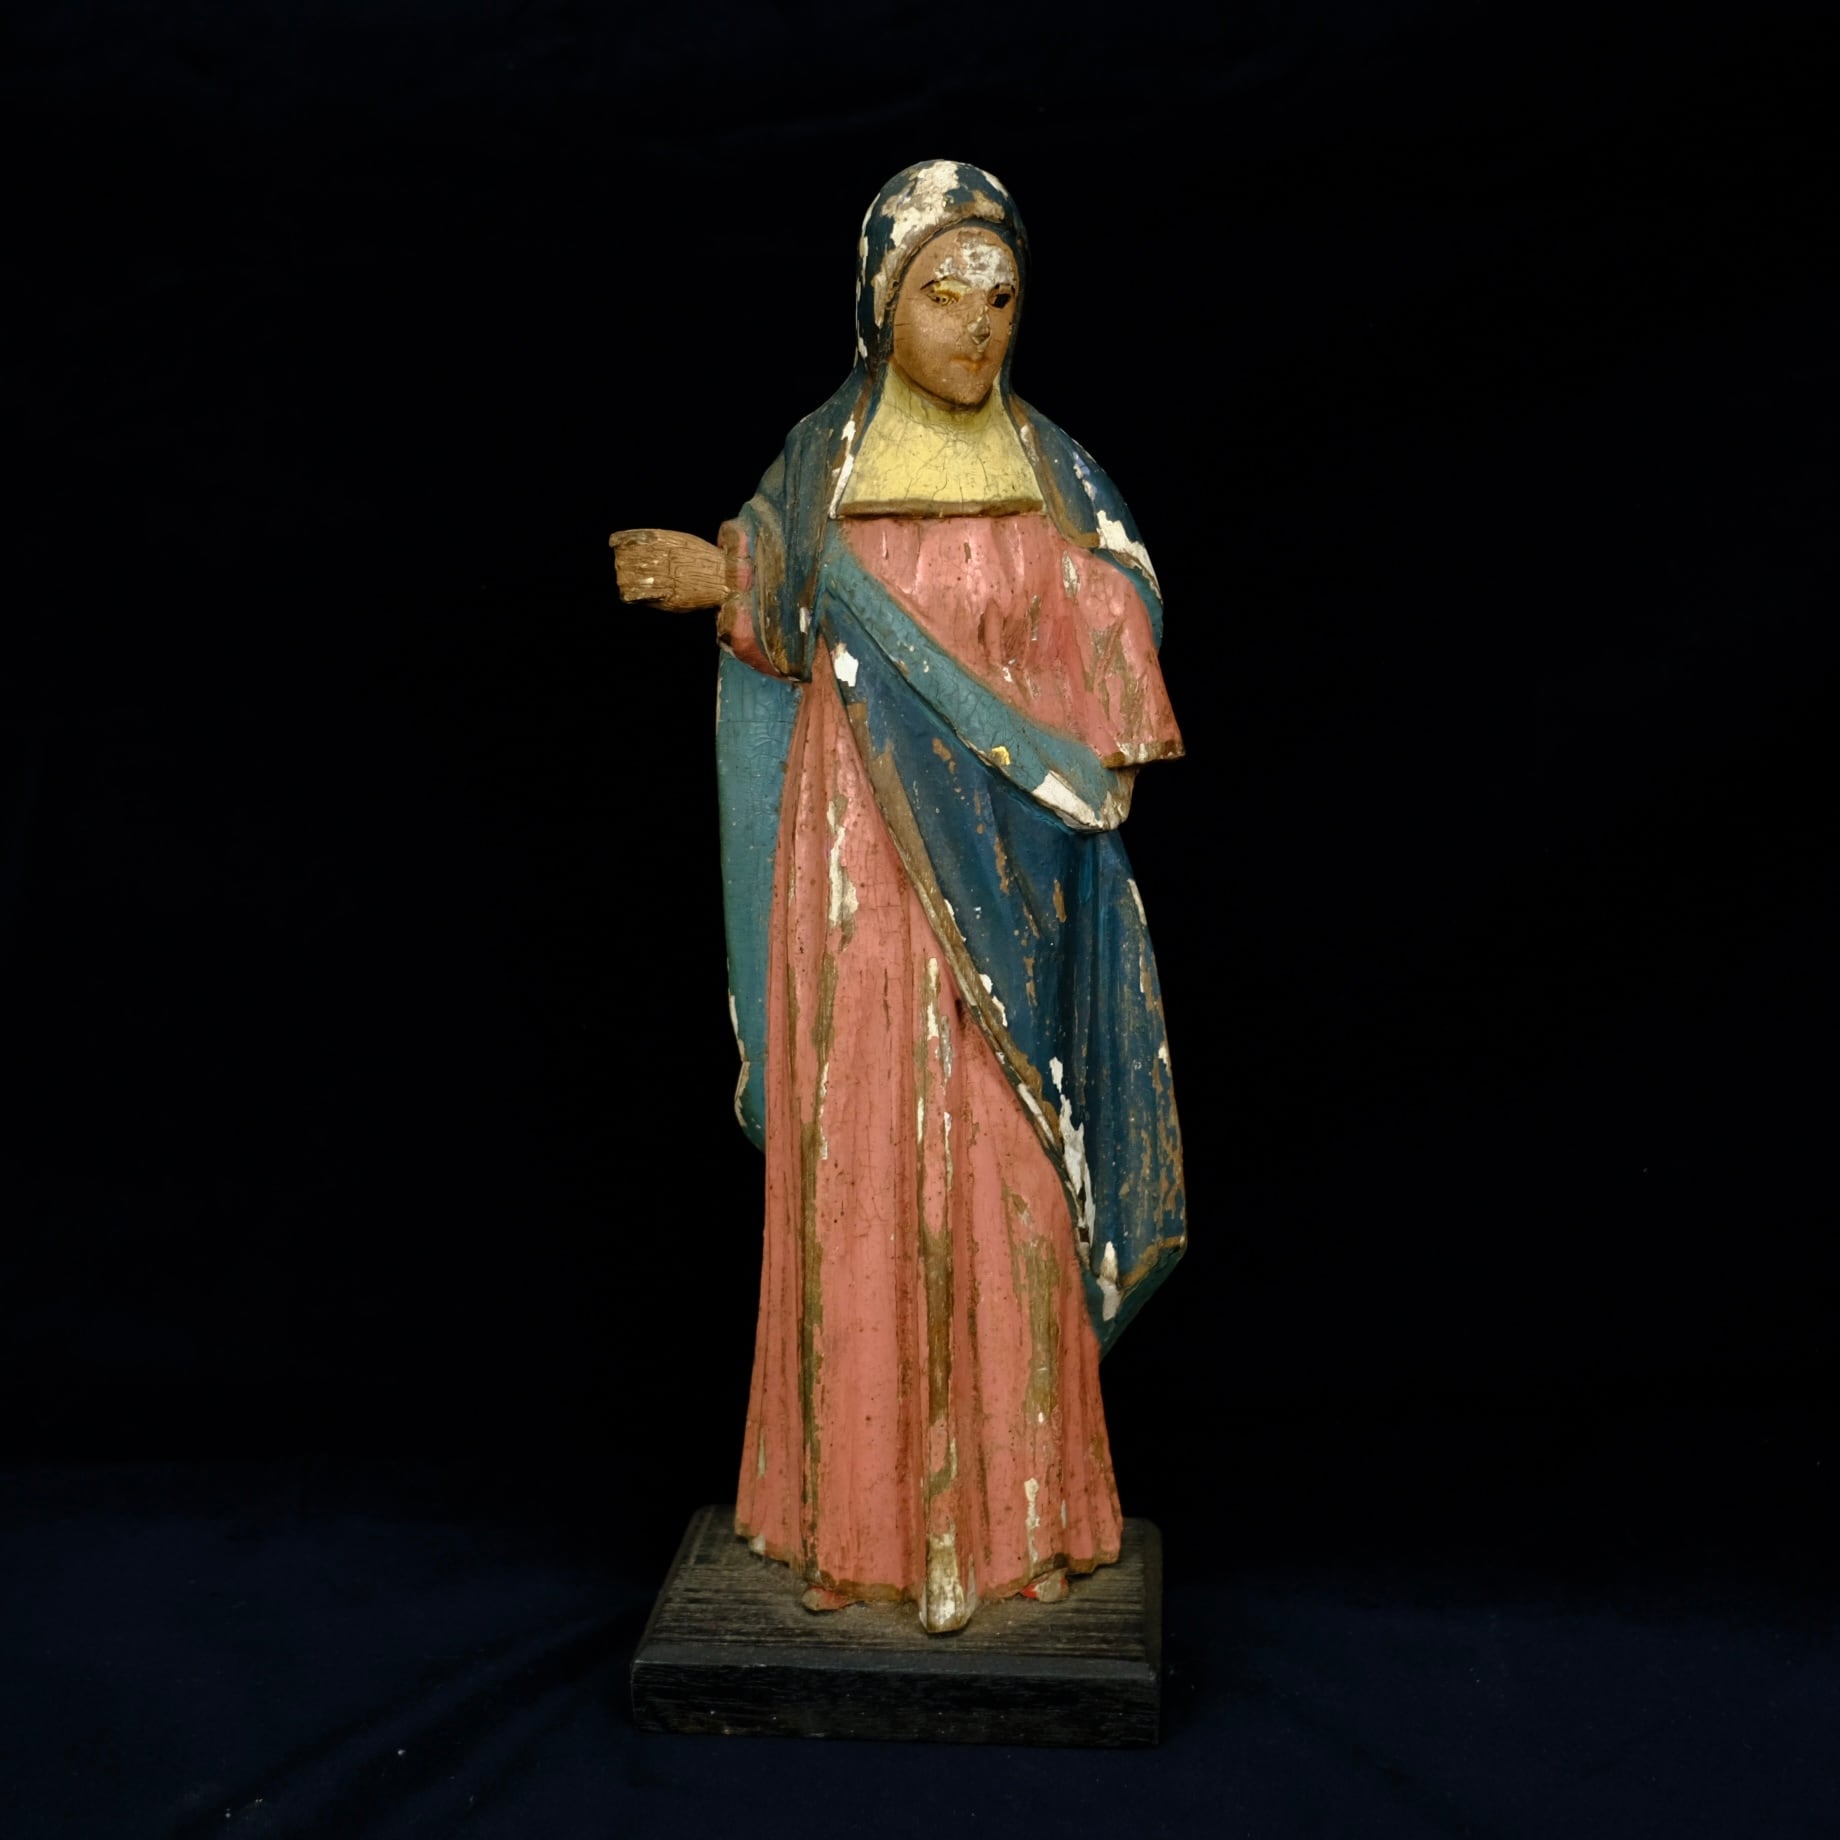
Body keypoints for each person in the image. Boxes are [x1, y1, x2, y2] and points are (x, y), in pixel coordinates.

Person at [614, 160, 1187, 1632]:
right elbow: (777, 593)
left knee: (1007, 1169)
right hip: (855, 874)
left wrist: (1077, 654)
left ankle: (1019, 1517)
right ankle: (852, 1519)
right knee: (857, 1158)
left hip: (1005, 879)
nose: (977, 324)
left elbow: (1115, 632)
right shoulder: (824, 458)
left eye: (1001, 299)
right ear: (882, 301)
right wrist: (714, 575)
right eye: (945, 293)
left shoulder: (1057, 474)